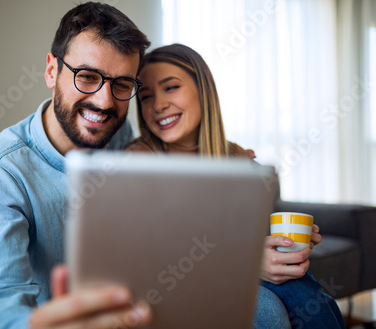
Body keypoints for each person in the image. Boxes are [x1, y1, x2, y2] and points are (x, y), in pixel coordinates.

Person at [127, 43, 346, 329]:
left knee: (301, 289)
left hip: (228, 277)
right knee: (289, 298)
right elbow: (147, 257)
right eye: (145, 96)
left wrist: (284, 244)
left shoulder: (237, 162)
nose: (158, 105)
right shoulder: (136, 163)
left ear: (203, 90)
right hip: (170, 289)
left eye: (170, 88)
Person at [0, 3, 152, 329]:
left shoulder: (121, 136)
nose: (105, 102)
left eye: (121, 85)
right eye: (88, 77)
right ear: (52, 71)